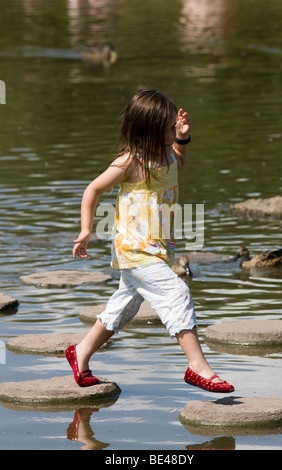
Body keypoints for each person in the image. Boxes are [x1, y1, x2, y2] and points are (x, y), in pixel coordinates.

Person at [66, 88, 234, 393]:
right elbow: (93, 190)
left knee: (123, 307)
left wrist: (182, 138)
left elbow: (180, 163)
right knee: (177, 292)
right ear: (150, 130)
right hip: (134, 249)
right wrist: (86, 229)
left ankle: (81, 353)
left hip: (157, 250)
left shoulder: (169, 153)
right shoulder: (131, 161)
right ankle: (198, 366)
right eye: (170, 128)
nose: (174, 130)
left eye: (174, 126)